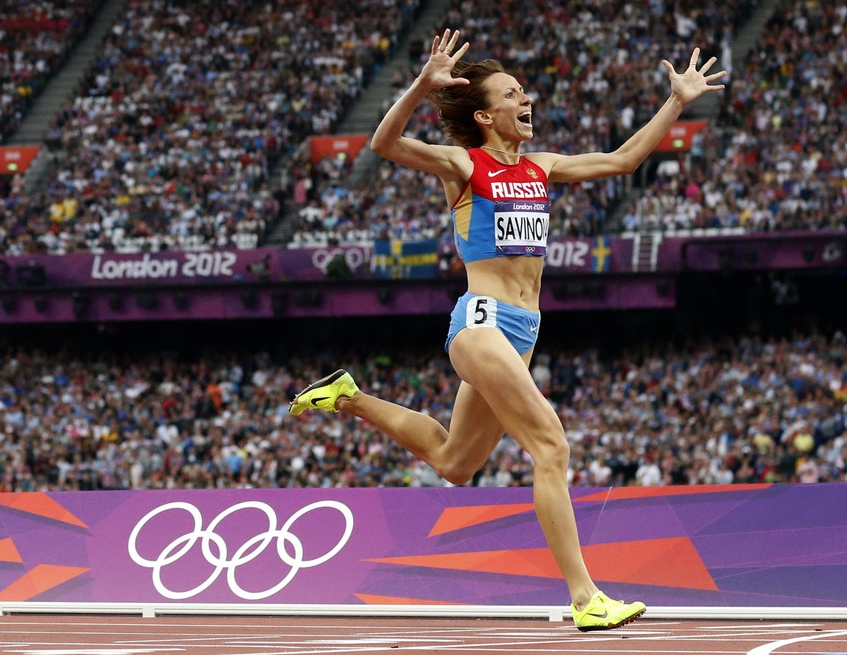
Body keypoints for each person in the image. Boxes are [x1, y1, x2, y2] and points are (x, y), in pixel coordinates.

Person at [290, 28, 726, 631]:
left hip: (520, 335)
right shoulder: (463, 165)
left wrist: (676, 101)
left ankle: (349, 394)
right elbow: (383, 141)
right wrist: (422, 83)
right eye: (514, 93)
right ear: (485, 114)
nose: (528, 100)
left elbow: (623, 160)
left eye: (525, 92)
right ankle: (586, 598)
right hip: (480, 324)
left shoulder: (543, 166)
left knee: (455, 462)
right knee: (552, 446)